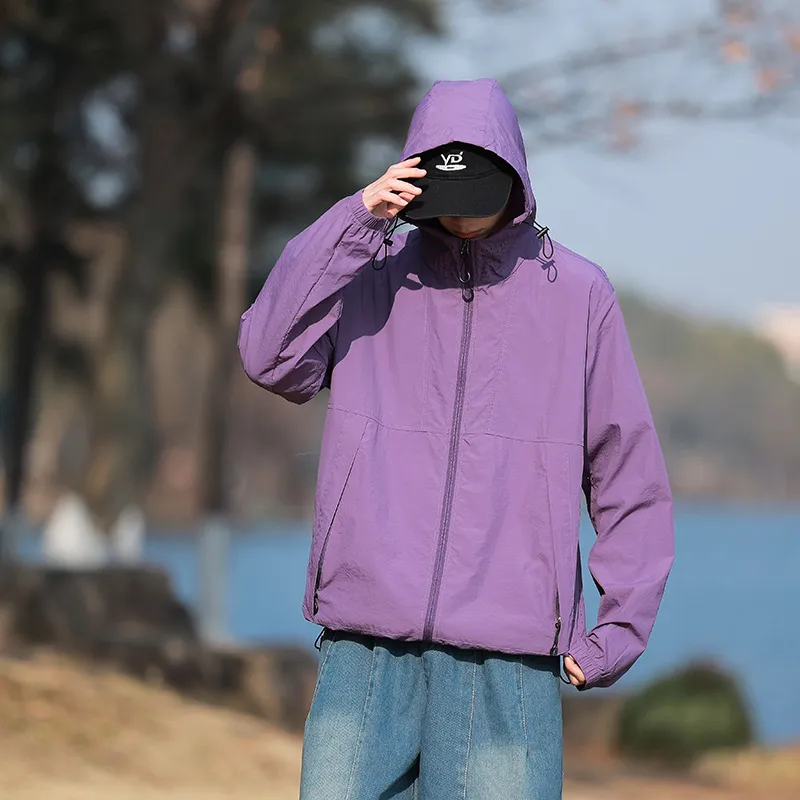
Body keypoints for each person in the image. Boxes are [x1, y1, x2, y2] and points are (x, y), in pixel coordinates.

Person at [238, 78, 674, 800]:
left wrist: (617, 632)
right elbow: (268, 357)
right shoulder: (369, 275)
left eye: (477, 191)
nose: (462, 212)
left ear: (514, 179)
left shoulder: (578, 295)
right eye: (446, 192)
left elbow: (627, 472)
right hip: (366, 647)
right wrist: (356, 220)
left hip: (507, 658)